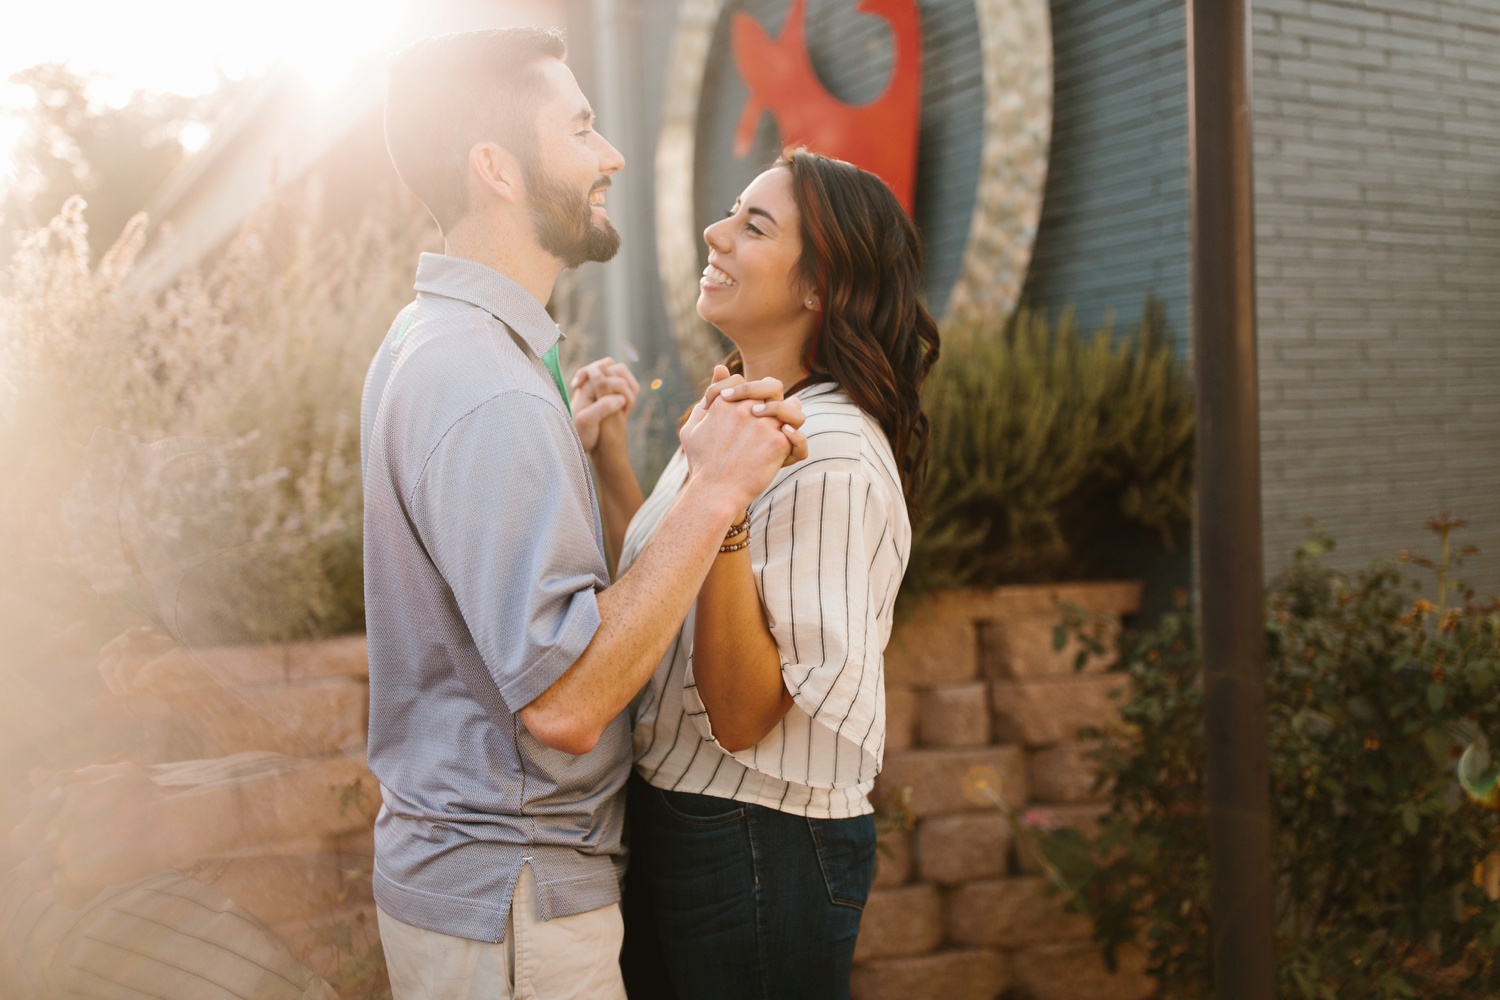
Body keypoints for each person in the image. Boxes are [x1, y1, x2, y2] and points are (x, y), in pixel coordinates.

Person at [362, 28, 807, 1000]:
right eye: (580, 127)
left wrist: (566, 451)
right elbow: (563, 703)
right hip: (514, 909)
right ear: (497, 168)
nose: (608, 155)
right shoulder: (489, 387)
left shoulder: (438, 342)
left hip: (482, 896)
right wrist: (719, 489)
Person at [575, 149, 939, 999]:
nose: (716, 231)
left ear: (819, 287)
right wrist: (612, 461)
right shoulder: (744, 408)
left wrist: (724, 497)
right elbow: (680, 586)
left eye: (754, 224)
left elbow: (741, 714)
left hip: (757, 844)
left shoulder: (832, 455)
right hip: (686, 823)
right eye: (732, 212)